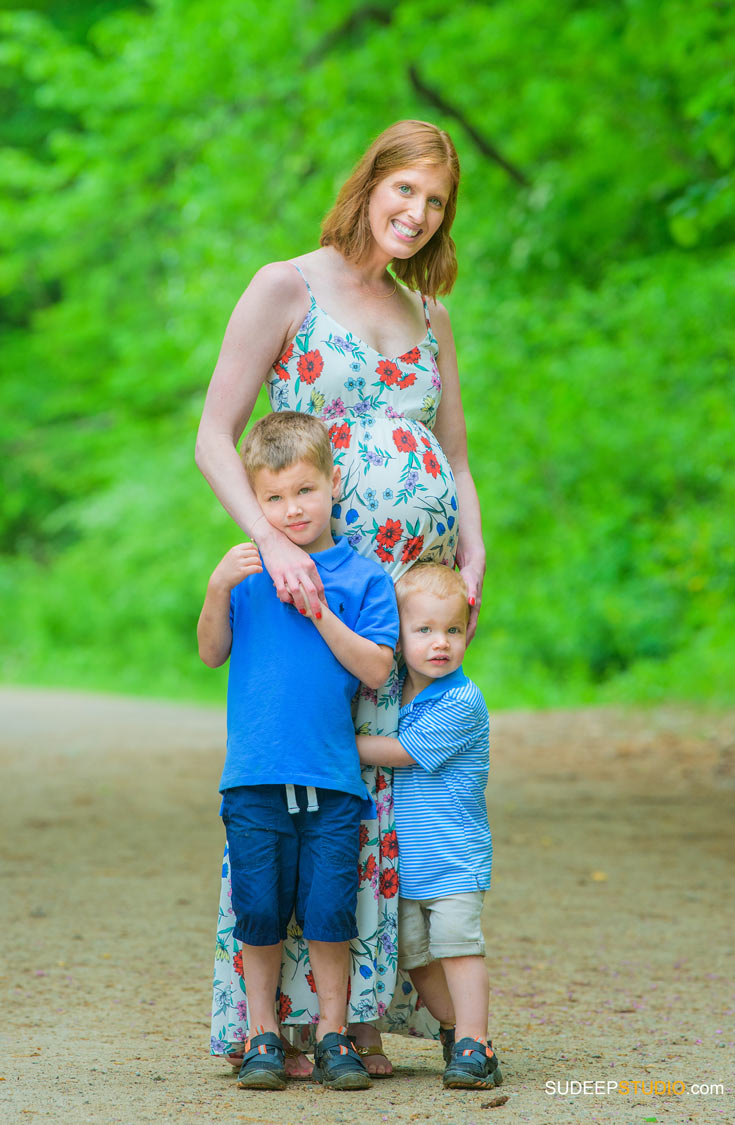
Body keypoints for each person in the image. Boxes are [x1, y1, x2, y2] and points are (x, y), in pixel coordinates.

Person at [197, 118, 486, 1075]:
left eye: (436, 202)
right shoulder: (287, 284)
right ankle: (278, 1018)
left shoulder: (429, 315)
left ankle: (363, 1017)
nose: (418, 213)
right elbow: (214, 434)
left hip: (410, 602)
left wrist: (473, 554)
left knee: (395, 798)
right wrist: (271, 542)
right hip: (314, 586)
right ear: (369, 185)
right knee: (309, 787)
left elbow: (453, 454)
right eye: (406, 190)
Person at [198, 411, 400, 1091]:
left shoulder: (362, 576)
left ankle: (333, 1034)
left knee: (329, 912)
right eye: (274, 498)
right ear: (255, 501)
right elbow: (210, 651)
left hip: (333, 780)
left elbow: (376, 669)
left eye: (305, 491)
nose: (291, 510)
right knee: (257, 909)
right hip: (254, 777)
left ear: (332, 483)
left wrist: (318, 607)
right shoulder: (247, 571)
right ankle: (260, 1034)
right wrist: (217, 585)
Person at [356, 562, 498, 1090]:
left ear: (468, 631)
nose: (441, 643)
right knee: (415, 956)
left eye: (453, 630)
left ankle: (475, 1043)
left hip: (453, 856)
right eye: (425, 630)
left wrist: (326, 747)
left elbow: (397, 753)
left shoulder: (461, 701)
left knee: (459, 946)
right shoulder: (391, 694)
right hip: (403, 862)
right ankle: (454, 1030)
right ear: (397, 632)